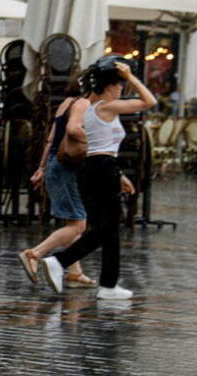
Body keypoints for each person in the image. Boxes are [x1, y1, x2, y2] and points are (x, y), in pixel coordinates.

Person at [38, 58, 156, 299]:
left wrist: (120, 175)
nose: (122, 90)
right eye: (120, 85)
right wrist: (132, 76)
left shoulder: (95, 109)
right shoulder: (106, 106)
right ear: (109, 87)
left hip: (96, 167)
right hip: (102, 167)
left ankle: (108, 285)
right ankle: (60, 261)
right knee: (108, 227)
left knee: (109, 228)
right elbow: (149, 101)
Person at [18, 77, 95, 289]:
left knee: (72, 222)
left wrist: (42, 167)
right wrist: (98, 142)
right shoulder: (83, 104)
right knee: (79, 224)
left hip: (55, 164)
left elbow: (51, 140)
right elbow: (73, 130)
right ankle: (34, 253)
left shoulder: (66, 103)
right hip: (66, 168)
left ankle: (74, 273)